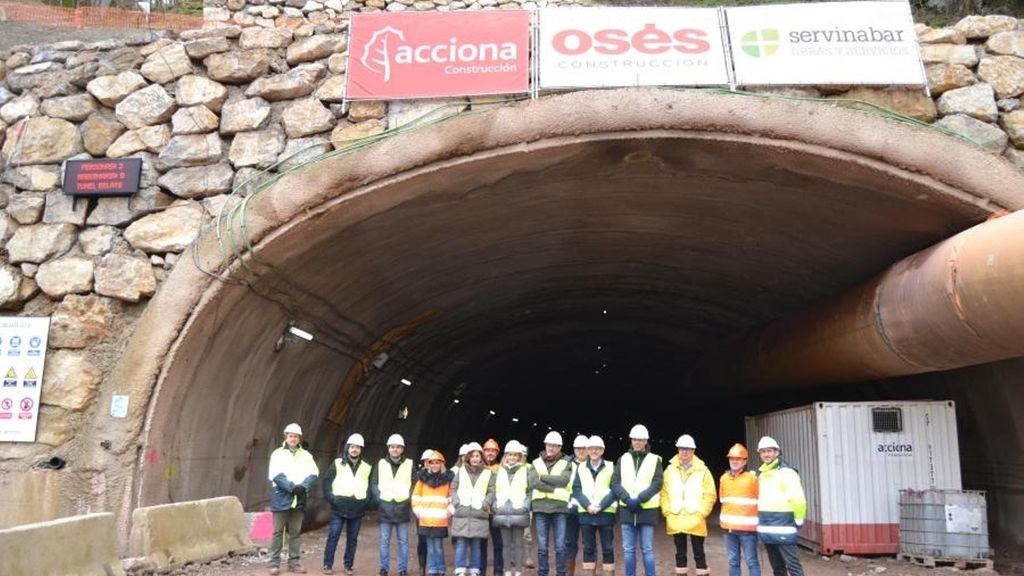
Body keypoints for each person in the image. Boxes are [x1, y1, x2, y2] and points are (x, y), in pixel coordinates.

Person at [268, 423, 319, 575]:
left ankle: (294, 563)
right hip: (282, 497)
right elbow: (275, 475)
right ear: (286, 437)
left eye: (296, 436)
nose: (293, 439)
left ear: (299, 438)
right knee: (278, 532)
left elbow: (313, 473)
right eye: (291, 436)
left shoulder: (306, 455)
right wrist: (292, 488)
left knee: (295, 532)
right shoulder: (277, 454)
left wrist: (303, 487)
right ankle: (274, 563)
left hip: (299, 498)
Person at [661, 435, 715, 576]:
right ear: (678, 450)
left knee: (699, 554)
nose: (684, 452)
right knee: (680, 554)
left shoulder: (703, 471)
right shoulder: (669, 470)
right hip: (676, 517)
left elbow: (710, 494)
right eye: (682, 449)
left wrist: (702, 513)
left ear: (693, 450)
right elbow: (664, 493)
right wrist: (667, 511)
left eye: (688, 449)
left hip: (695, 518)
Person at [612, 424, 663, 576]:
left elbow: (657, 482)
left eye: (640, 440)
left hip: (647, 511)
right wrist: (627, 499)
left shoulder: (655, 460)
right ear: (631, 440)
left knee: (647, 549)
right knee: (628, 550)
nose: (637, 442)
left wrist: (640, 499)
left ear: (646, 441)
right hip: (627, 510)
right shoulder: (623, 459)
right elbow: (615, 482)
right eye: (635, 439)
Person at [756, 436, 807, 576]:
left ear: (777, 452)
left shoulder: (788, 473)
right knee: (777, 568)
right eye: (763, 451)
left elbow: (798, 499)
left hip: (783, 527)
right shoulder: (762, 475)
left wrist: (799, 519)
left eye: (769, 451)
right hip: (767, 528)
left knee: (793, 565)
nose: (766, 454)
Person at [322, 433, 372, 575]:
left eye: (358, 447)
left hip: (357, 508)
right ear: (347, 448)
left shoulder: (367, 466)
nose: (354, 449)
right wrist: (332, 499)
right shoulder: (337, 463)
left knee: (352, 539)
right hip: (338, 507)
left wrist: (366, 502)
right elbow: (327, 481)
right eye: (352, 447)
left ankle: (348, 565)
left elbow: (369, 486)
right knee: (333, 536)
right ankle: (327, 564)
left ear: (361, 449)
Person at [530, 431, 574, 576]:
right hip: (541, 508)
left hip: (559, 508)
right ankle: (543, 573)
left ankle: (561, 573)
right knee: (542, 547)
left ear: (560, 447)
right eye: (549, 445)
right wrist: (553, 487)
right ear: (545, 445)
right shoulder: (536, 462)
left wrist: (542, 477)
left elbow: (564, 481)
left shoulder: (567, 462)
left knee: (560, 547)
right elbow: (533, 482)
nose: (551, 448)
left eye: (555, 446)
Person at [571, 436, 616, 576]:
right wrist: (588, 506)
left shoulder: (611, 466)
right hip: (586, 513)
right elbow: (576, 489)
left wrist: (601, 506)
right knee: (588, 548)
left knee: (608, 549)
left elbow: (615, 490)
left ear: (602, 451)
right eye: (591, 449)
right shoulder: (580, 468)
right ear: (587, 451)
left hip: (606, 513)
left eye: (597, 449)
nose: (594, 451)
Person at [372, 434, 415, 576]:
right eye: (392, 447)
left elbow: (415, 484)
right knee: (384, 541)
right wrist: (379, 499)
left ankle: (402, 569)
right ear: (388, 448)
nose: (395, 449)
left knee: (403, 541)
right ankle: (384, 568)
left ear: (402, 449)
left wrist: (408, 499)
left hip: (402, 507)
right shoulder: (381, 464)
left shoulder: (409, 464)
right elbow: (374, 483)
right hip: (385, 507)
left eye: (398, 447)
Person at [452, 442, 496, 576]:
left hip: (479, 513)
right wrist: (456, 502)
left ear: (481, 457)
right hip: (462, 512)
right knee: (461, 543)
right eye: (472, 456)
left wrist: (486, 503)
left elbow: (492, 491)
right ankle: (460, 569)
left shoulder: (488, 473)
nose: (475, 459)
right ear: (468, 458)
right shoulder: (460, 471)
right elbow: (453, 487)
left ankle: (475, 569)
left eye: (477, 456)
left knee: (476, 545)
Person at [491, 440, 533, 576]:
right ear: (505, 455)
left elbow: (530, 491)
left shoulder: (526, 471)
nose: (512, 457)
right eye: (510, 454)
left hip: (519, 510)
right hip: (502, 511)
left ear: (520, 456)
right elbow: (493, 490)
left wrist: (525, 506)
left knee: (519, 543)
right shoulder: (498, 471)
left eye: (515, 455)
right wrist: (495, 505)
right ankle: (507, 571)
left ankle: (518, 571)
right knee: (506, 544)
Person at [719, 443, 760, 576]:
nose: (734, 461)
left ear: (745, 461)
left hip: (748, 531)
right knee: (733, 561)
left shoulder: (753, 479)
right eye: (732, 458)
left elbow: (760, 500)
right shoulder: (724, 479)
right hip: (729, 529)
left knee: (751, 561)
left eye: (738, 459)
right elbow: (722, 500)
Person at [413, 450, 455, 576]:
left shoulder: (447, 481)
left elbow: (453, 498)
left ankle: (440, 570)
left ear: (442, 464)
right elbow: (415, 497)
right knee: (430, 547)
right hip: (425, 519)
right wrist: (418, 512)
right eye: (432, 463)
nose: (435, 465)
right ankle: (432, 570)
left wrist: (449, 512)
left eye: (437, 463)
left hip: (440, 520)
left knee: (438, 547)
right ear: (429, 464)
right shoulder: (421, 480)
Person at [565, 435, 589, 576]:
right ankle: (569, 573)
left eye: (583, 448)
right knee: (569, 543)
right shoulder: (566, 464)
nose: (580, 451)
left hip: (587, 509)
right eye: (578, 448)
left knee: (589, 543)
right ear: (574, 449)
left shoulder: (594, 464)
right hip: (570, 509)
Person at [483, 438, 505, 576]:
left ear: (497, 453)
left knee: (498, 544)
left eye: (493, 451)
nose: (490, 453)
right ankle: (481, 571)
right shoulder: (479, 468)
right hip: (482, 512)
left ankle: (498, 571)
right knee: (481, 545)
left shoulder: (501, 469)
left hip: (496, 512)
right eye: (487, 450)